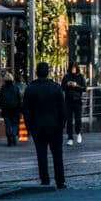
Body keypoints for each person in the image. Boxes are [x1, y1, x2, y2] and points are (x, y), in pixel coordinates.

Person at [22, 61, 65, 189]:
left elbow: (26, 110)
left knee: (41, 155)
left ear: (36, 73)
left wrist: (29, 127)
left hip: (38, 127)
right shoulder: (56, 88)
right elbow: (62, 109)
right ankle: (60, 180)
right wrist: (61, 125)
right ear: (48, 72)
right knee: (57, 154)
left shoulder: (30, 89)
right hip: (55, 127)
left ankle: (44, 179)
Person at [60, 63, 87, 145]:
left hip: (78, 101)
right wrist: (67, 84)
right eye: (72, 68)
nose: (73, 69)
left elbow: (84, 88)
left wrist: (76, 86)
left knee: (78, 119)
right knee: (69, 120)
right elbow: (62, 88)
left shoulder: (80, 77)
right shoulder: (66, 77)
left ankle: (78, 132)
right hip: (68, 101)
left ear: (77, 68)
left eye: (75, 68)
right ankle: (70, 137)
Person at [0, 73, 22, 146]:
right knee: (15, 124)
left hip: (5, 110)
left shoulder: (3, 88)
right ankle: (13, 134)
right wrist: (20, 108)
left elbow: (0, 100)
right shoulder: (16, 88)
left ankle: (9, 136)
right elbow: (19, 99)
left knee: (8, 125)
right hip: (15, 110)